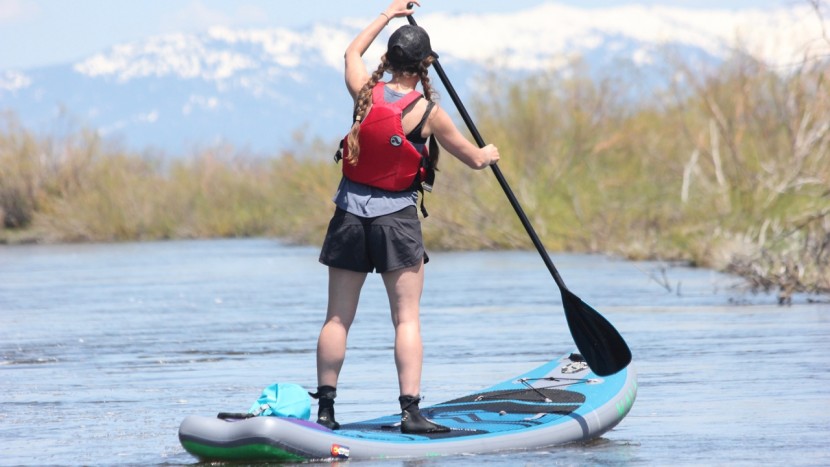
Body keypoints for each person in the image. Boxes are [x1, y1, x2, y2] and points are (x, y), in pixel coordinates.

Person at [313, 0, 500, 434]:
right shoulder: (430, 114)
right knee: (407, 319)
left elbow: (350, 54)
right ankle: (411, 413)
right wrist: (488, 153)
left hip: (348, 213)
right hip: (396, 218)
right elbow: (473, 159)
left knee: (337, 317)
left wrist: (388, 14)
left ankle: (325, 411)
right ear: (424, 65)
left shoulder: (363, 90)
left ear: (388, 59)